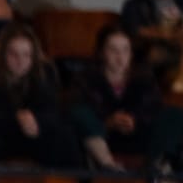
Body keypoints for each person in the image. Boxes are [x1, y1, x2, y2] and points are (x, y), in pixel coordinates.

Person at [0, 24, 82, 169]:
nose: (20, 61)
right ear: (3, 54)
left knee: (65, 135)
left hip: (33, 134)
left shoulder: (44, 71)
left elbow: (53, 112)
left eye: (26, 55)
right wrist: (16, 118)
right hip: (0, 133)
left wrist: (37, 122)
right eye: (13, 54)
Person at [72, 24, 181, 170]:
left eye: (125, 50)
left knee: (174, 115)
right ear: (102, 52)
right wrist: (108, 121)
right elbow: (82, 110)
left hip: (138, 134)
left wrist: (134, 119)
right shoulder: (86, 78)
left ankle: (156, 167)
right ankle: (108, 165)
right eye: (113, 50)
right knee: (79, 113)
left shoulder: (144, 77)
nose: (120, 57)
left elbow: (153, 107)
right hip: (103, 136)